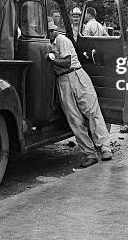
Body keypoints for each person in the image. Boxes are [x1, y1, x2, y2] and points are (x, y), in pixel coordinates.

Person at [47, 20, 113, 167]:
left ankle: (105, 147)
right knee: (74, 119)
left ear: (53, 31)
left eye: (51, 31)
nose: (50, 33)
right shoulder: (49, 44)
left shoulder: (61, 40)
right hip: (62, 80)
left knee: (92, 112)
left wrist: (51, 59)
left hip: (76, 75)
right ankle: (90, 153)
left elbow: (67, 62)